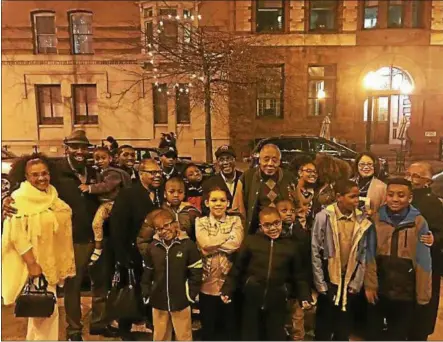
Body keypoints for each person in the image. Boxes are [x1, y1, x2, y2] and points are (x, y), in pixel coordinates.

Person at [2, 154, 76, 341]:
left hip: (49, 261)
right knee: (46, 315)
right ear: (26, 177)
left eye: (44, 173)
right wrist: (33, 264)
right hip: (34, 265)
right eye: (35, 175)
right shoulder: (19, 199)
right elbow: (17, 236)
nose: (41, 178)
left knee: (40, 316)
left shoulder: (51, 195)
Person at [221, 206, 311, 341]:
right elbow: (237, 269)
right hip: (252, 297)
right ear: (261, 226)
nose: (273, 228)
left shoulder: (291, 245)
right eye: (267, 225)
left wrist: (304, 295)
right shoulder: (251, 242)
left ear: (281, 222)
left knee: (275, 334)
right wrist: (227, 289)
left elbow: (299, 275)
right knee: (250, 334)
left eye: (276, 223)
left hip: (277, 298)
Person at [365, 178, 433, 341]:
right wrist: (370, 284)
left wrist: (422, 295)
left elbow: (424, 261)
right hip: (380, 287)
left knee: (398, 333)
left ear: (410, 198)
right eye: (391, 195)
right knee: (373, 332)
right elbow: (368, 254)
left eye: (401, 195)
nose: (395, 199)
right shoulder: (376, 219)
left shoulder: (419, 222)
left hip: (406, 292)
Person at [311, 179, 375, 341]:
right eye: (352, 197)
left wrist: (357, 282)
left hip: (350, 279)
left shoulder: (362, 220)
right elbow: (315, 250)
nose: (356, 201)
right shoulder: (323, 217)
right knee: (324, 325)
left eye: (358, 197)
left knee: (344, 326)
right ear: (339, 197)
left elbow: (364, 253)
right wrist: (320, 283)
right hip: (329, 278)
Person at [109, 158, 164, 339]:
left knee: (150, 290)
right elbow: (117, 227)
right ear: (141, 174)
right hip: (131, 253)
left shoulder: (160, 194)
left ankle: (150, 323)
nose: (157, 176)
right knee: (130, 291)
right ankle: (125, 328)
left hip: (153, 253)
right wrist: (122, 256)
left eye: (159, 172)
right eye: (152, 172)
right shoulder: (128, 194)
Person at [140, 209, 203, 341]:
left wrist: (190, 295)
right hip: (158, 299)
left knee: (184, 335)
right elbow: (147, 272)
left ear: (175, 224)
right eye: (158, 229)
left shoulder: (188, 246)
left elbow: (196, 271)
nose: (163, 231)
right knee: (160, 336)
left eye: (166, 225)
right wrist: (147, 293)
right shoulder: (152, 247)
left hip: (181, 300)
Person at [195, 187, 244, 341]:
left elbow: (235, 244)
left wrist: (211, 244)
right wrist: (225, 237)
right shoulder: (200, 221)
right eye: (214, 200)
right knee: (209, 325)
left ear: (228, 203)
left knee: (230, 326)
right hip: (207, 281)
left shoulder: (235, 220)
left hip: (228, 280)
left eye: (222, 200)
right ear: (207, 203)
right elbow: (204, 242)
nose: (218, 204)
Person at [405, 162, 443, 340]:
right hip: (406, 262)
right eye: (409, 174)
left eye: (416, 176)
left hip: (425, 262)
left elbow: (439, 230)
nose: (410, 179)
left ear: (427, 181)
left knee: (423, 301)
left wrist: (434, 238)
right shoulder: (406, 197)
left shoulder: (431, 202)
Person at [78, 147, 131, 265]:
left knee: (97, 223)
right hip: (106, 202)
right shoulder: (100, 172)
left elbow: (106, 186)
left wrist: (90, 188)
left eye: (103, 158)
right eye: (97, 158)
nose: (100, 161)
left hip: (111, 203)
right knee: (98, 224)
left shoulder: (113, 173)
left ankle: (98, 247)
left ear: (110, 158)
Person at [232, 144, 297, 234]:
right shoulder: (247, 177)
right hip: (256, 233)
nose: (270, 164)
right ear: (259, 160)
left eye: (274, 160)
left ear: (279, 161)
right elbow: (237, 209)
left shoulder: (289, 178)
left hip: (284, 232)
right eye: (266, 160)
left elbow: (299, 206)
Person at [276, 199, 314, 341]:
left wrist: (305, 293)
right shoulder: (272, 235)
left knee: (297, 323)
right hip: (279, 286)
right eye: (284, 211)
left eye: (292, 211)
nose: (289, 214)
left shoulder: (302, 234)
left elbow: (305, 264)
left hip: (297, 287)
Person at [202, 145, 243, 215]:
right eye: (221, 160)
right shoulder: (209, 183)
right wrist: (224, 212)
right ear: (217, 163)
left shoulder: (244, 178)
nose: (225, 163)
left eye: (229, 158)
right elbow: (205, 209)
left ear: (234, 160)